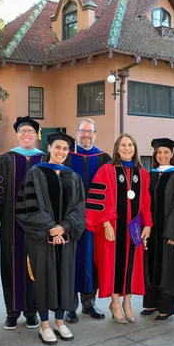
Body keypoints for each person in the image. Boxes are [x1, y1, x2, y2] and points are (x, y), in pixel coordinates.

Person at [15, 132, 86, 345]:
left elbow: (79, 209)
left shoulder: (73, 177)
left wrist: (64, 227)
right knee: (44, 278)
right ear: (49, 148)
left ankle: (59, 321)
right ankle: (44, 324)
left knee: (64, 277)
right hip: (41, 238)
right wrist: (50, 228)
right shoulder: (35, 173)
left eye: (65, 149)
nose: (61, 152)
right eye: (57, 147)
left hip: (66, 237)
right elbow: (27, 206)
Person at [85, 133, 152, 324]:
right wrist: (106, 223)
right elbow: (98, 198)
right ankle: (115, 302)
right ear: (117, 148)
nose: (127, 148)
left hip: (134, 229)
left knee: (132, 265)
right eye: (123, 145)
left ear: (135, 148)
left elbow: (146, 202)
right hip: (113, 228)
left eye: (130, 145)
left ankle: (127, 302)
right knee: (113, 265)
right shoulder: (107, 170)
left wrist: (148, 224)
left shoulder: (142, 174)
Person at [0, 116, 45, 330]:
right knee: (11, 264)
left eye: (30, 131)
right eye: (23, 131)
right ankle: (12, 311)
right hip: (11, 224)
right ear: (17, 135)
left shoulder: (45, 158)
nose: (27, 135)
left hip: (38, 225)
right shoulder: (6, 159)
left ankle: (32, 311)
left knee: (36, 265)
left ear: (36, 135)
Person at [62, 118, 111, 324]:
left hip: (94, 221)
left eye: (89, 132)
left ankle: (89, 303)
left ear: (95, 134)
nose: (86, 135)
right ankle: (70, 306)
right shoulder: (66, 156)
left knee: (92, 260)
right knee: (71, 260)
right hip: (70, 219)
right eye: (82, 131)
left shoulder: (104, 158)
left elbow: (109, 191)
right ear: (76, 133)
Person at [141, 138, 174, 321]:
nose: (162, 156)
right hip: (151, 231)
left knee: (168, 269)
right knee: (150, 265)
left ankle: (166, 307)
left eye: (166, 152)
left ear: (172, 154)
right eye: (159, 152)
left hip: (168, 232)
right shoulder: (149, 174)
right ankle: (151, 303)